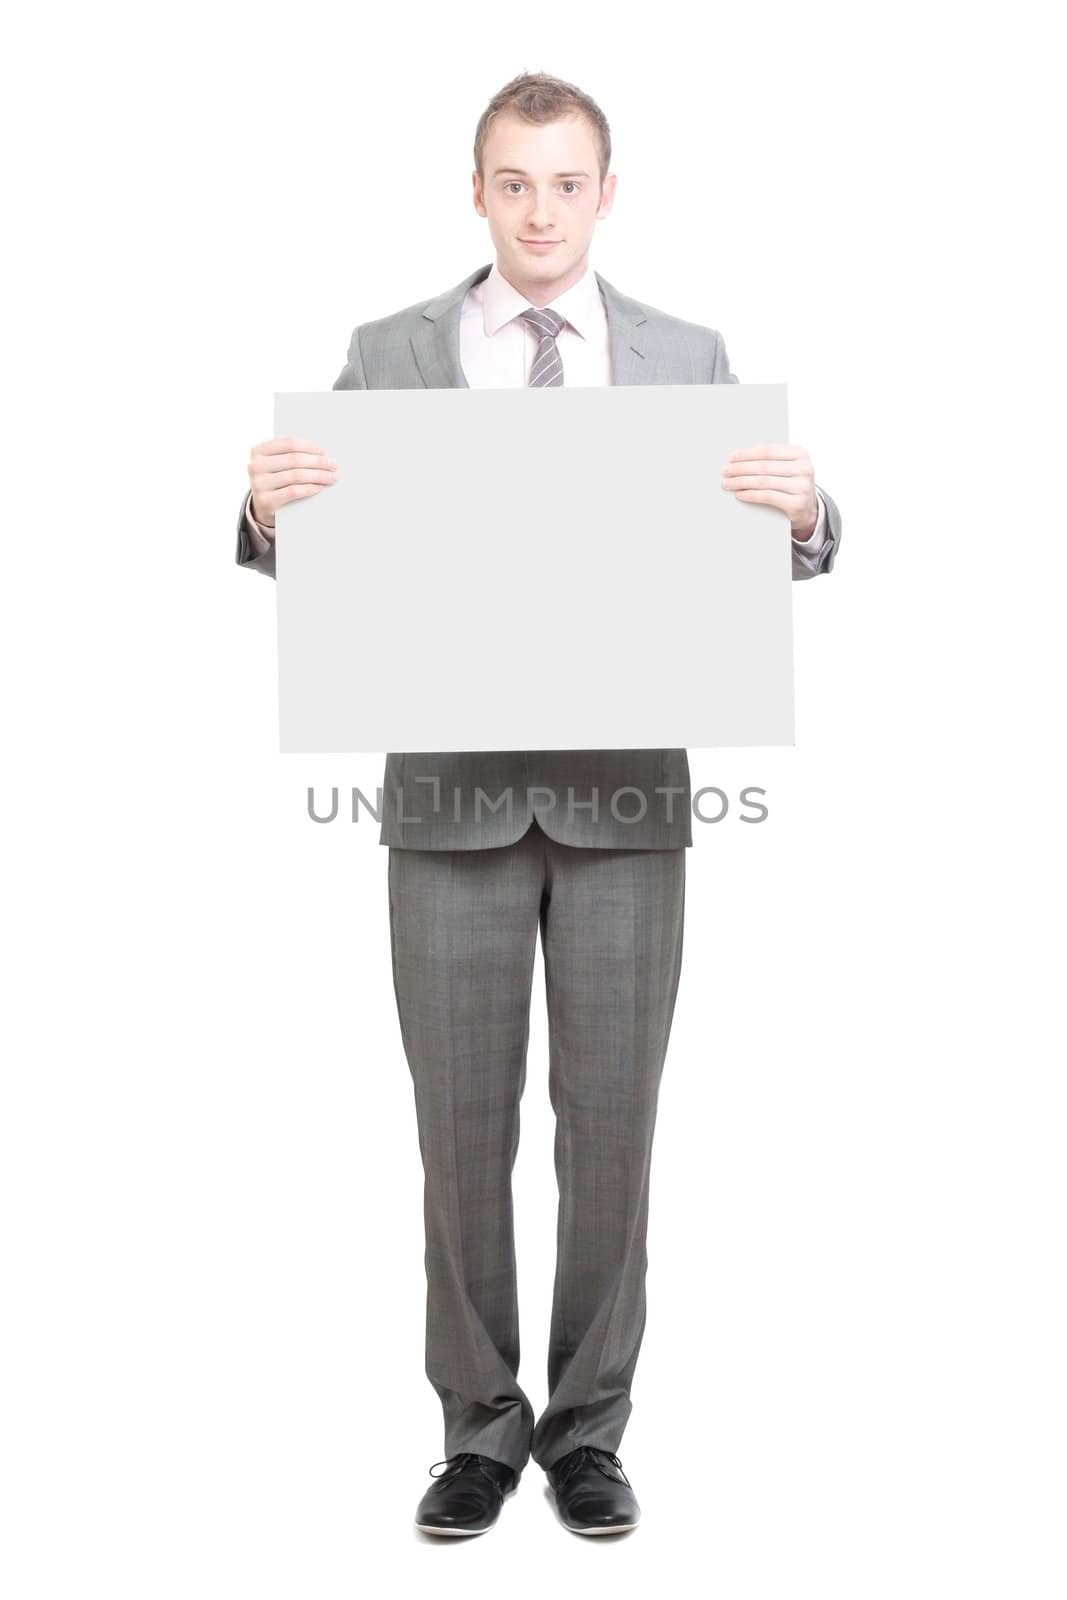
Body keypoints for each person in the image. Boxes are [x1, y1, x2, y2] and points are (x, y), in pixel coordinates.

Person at [234, 71, 842, 1538]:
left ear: (607, 194)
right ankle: (478, 1430)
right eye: (516, 182)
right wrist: (265, 513)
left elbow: (768, 565)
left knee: (612, 1129)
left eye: (568, 184)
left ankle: (588, 1430)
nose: (542, 210)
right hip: (447, 804)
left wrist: (809, 514)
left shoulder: (687, 358)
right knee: (457, 1132)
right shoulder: (389, 355)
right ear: (479, 191)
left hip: (627, 802)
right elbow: (317, 561)